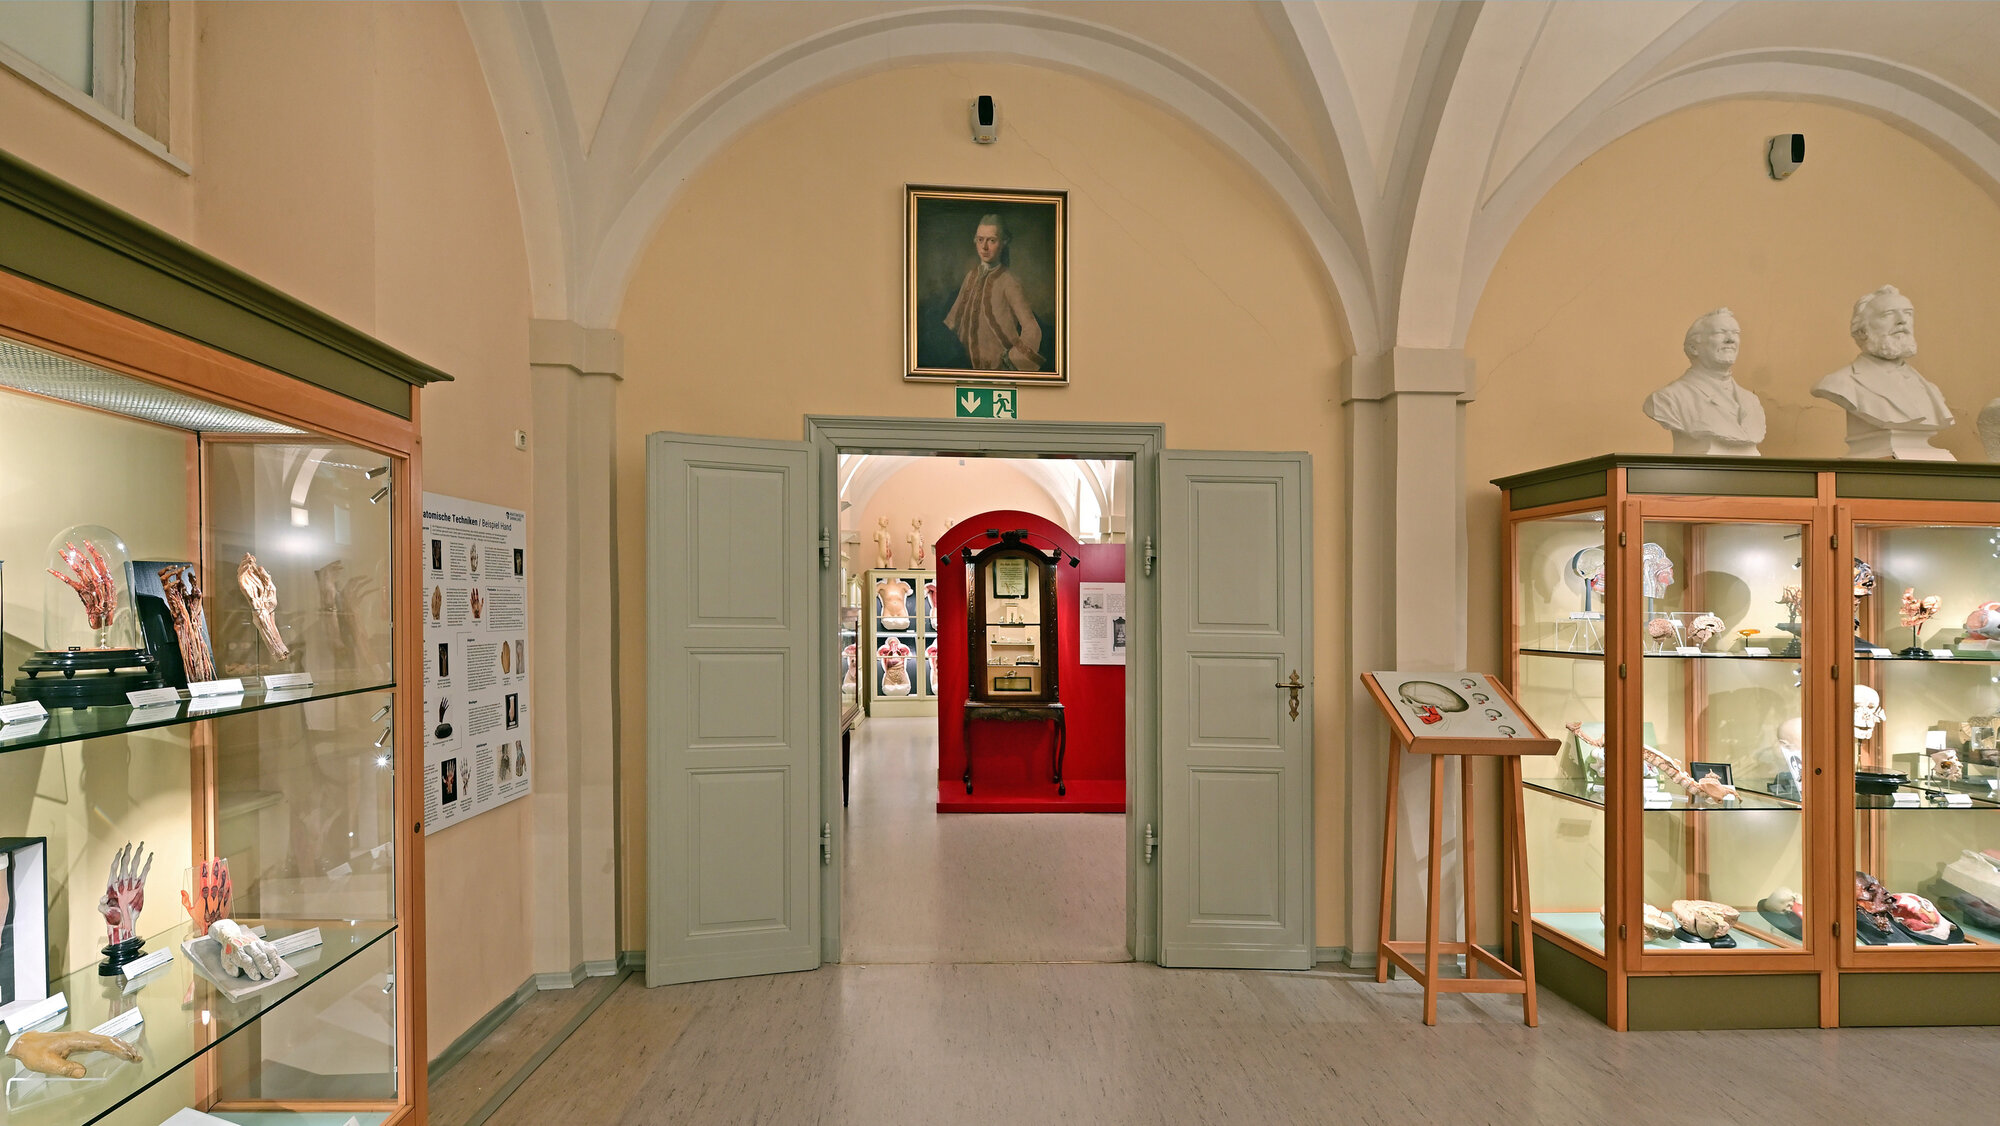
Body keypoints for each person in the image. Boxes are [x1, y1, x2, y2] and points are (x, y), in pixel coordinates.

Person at [1812, 285, 1954, 459]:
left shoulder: (1931, 389)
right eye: (1888, 314)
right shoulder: (1840, 383)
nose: (1902, 321)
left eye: (1908, 313)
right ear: (1862, 329)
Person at [1642, 308, 1765, 455]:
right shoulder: (1668, 398)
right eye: (1720, 332)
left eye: (1736, 333)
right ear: (1694, 347)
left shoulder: (1751, 401)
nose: (1730, 339)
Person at [943, 214, 1043, 371]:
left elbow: (1032, 329)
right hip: (966, 366)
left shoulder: (1009, 281)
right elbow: (953, 320)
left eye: (991, 240)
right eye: (980, 239)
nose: (984, 247)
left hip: (997, 368)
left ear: (1003, 242)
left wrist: (1013, 359)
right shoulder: (971, 276)